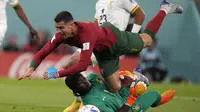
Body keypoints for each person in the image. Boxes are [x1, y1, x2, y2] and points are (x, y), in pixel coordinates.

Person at [19, 1, 183, 94]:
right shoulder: (61, 35)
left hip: (116, 40)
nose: (58, 32)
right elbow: (42, 52)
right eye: (56, 28)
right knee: (115, 87)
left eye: (61, 28)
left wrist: (56, 74)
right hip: (103, 53)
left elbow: (82, 65)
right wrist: (31, 68)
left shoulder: (86, 33)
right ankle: (135, 77)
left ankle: (164, 9)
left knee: (146, 40)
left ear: (71, 25)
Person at [64, 72, 175, 112]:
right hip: (127, 108)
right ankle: (158, 101)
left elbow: (111, 82)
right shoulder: (93, 104)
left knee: (137, 78)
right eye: (80, 83)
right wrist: (132, 97)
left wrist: (124, 77)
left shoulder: (92, 78)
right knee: (154, 94)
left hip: (121, 94)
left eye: (82, 78)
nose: (85, 81)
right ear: (76, 90)